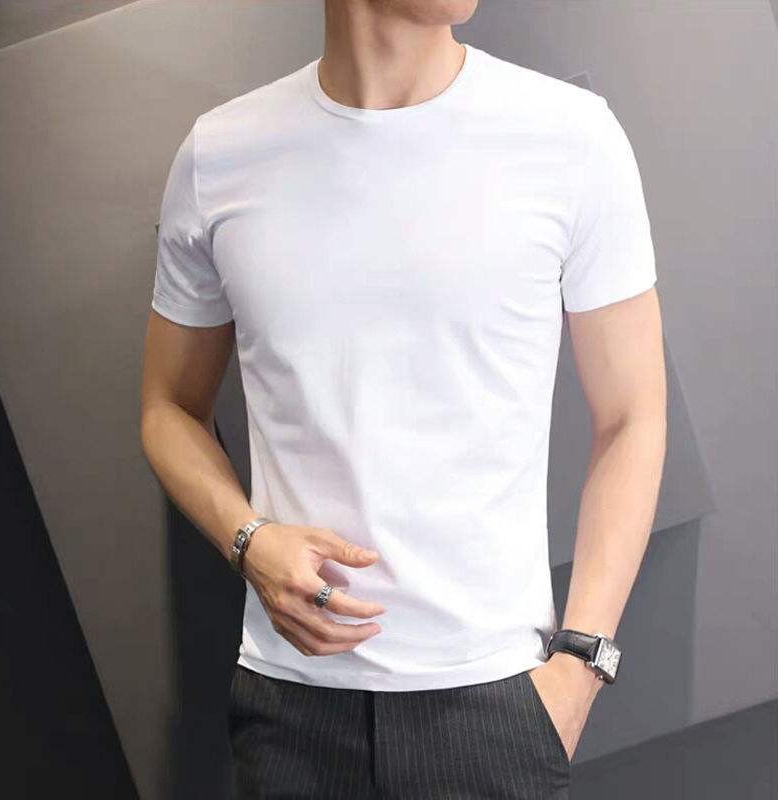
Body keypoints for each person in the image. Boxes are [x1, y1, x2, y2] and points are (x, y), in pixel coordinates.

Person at [140, 1, 666, 797]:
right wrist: (248, 540)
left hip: (497, 705)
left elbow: (633, 418)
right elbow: (168, 408)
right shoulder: (221, 155)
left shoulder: (570, 138)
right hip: (290, 712)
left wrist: (582, 663)